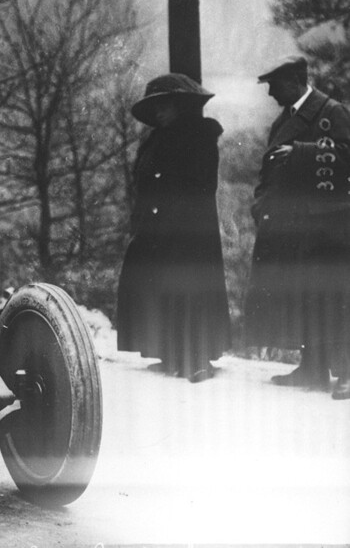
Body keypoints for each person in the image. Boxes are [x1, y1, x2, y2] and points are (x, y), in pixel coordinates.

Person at [243, 56, 350, 400]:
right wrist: (260, 204)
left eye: (274, 86)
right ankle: (314, 368)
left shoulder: (331, 112)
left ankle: (347, 372)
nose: (271, 94)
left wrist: (301, 152)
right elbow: (268, 169)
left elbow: (348, 155)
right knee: (304, 296)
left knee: (335, 300)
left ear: (293, 82)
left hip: (328, 226)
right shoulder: (284, 120)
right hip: (292, 225)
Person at [116, 73, 232, 383]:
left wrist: (171, 217)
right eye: (156, 109)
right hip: (157, 228)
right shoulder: (156, 140)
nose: (159, 114)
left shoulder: (200, 137)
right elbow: (143, 184)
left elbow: (201, 185)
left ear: (180, 106)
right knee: (160, 288)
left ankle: (197, 358)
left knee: (190, 290)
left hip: (189, 230)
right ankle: (170, 352)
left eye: (164, 106)